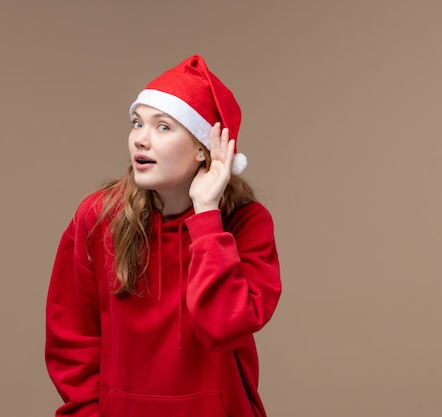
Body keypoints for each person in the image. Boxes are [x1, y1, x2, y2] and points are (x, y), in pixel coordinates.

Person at [45, 55, 282, 417]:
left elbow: (225, 326)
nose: (141, 139)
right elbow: (71, 339)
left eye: (164, 127)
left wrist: (206, 216)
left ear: (203, 149)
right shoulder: (98, 217)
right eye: (137, 123)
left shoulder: (247, 222)